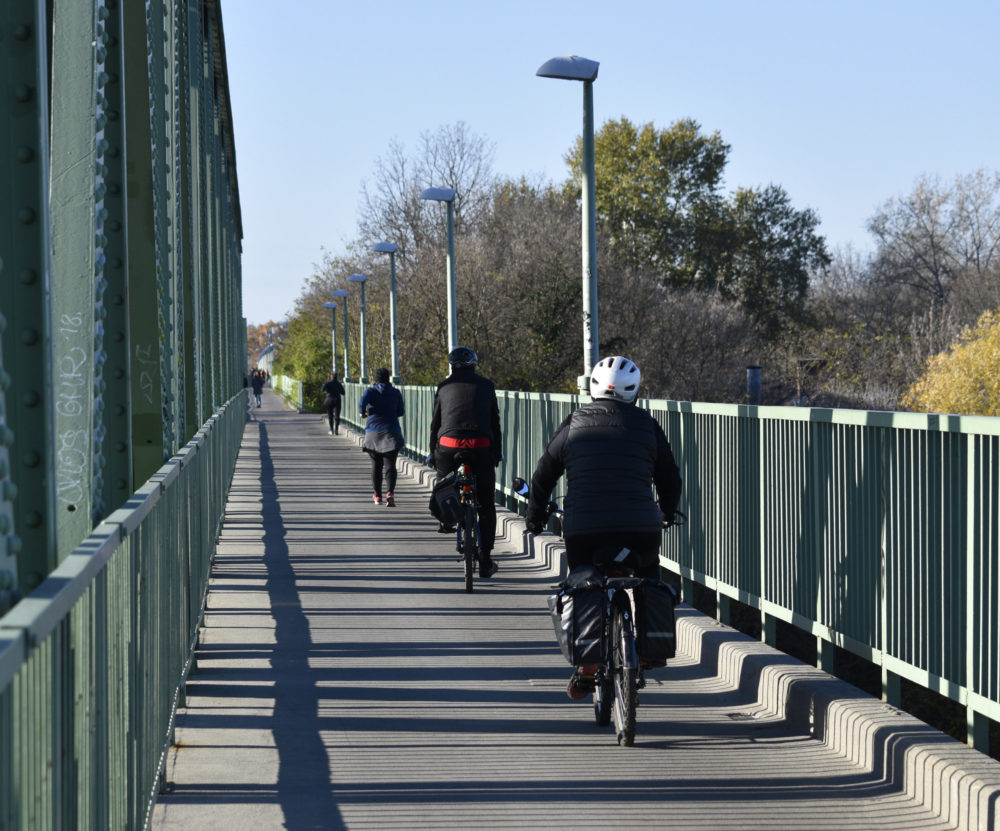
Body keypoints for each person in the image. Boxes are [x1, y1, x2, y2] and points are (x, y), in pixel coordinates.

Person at [524, 355, 682, 699]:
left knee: (582, 579)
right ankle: (651, 650)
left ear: (593, 387)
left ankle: (587, 664)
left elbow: (544, 473)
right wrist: (668, 512)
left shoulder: (575, 423)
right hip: (640, 528)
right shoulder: (646, 424)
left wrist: (535, 517)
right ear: (634, 391)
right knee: (647, 574)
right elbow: (669, 477)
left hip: (585, 528)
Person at [428, 346, 502, 578]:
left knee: (443, 482)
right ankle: (486, 559)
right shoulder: (487, 386)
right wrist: (496, 453)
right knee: (486, 504)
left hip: (449, 444)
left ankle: (445, 520)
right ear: (474, 364)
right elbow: (494, 424)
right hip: (480, 446)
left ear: (452, 366)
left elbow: (435, 424)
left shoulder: (443, 387)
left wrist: (432, 451)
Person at [359, 368, 405, 506]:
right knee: (390, 465)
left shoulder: (370, 391)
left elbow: (362, 403)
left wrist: (362, 413)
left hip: (373, 432)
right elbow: (401, 411)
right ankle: (390, 492)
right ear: (389, 378)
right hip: (392, 431)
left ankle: (377, 495)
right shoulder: (396, 392)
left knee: (376, 466)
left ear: (376, 379)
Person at [321, 371, 345, 435]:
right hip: (337, 400)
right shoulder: (339, 384)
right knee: (337, 416)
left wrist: (325, 387)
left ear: (331, 377)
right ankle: (336, 430)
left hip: (329, 400)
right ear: (337, 377)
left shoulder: (328, 383)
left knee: (330, 416)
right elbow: (343, 393)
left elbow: (322, 390)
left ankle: (331, 430)